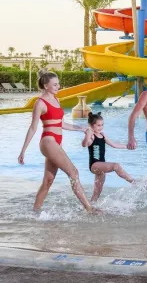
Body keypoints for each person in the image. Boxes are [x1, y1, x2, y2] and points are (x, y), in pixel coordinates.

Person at [18, 71, 99, 213]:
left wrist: (81, 128)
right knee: (73, 172)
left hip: (57, 142)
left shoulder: (56, 100)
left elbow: (61, 124)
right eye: (55, 85)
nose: (58, 87)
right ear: (46, 86)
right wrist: (23, 151)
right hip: (48, 141)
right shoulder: (40, 103)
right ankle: (89, 209)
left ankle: (35, 212)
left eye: (58, 84)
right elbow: (32, 128)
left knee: (48, 180)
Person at [82, 111, 135, 202]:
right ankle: (134, 182)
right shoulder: (91, 137)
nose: (101, 127)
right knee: (115, 166)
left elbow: (114, 145)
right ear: (91, 125)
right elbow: (84, 144)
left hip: (101, 167)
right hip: (95, 165)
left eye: (102, 125)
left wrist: (127, 146)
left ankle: (91, 207)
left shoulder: (103, 135)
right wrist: (87, 134)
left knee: (97, 193)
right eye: (98, 125)